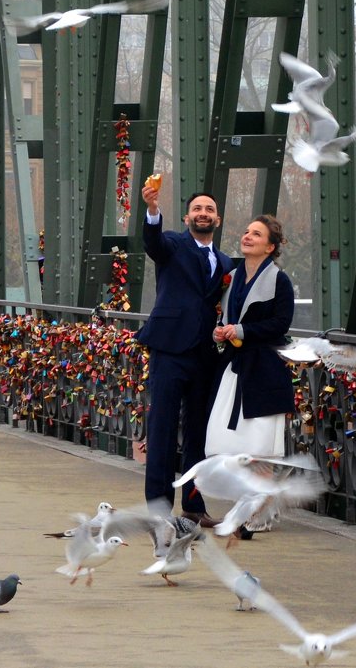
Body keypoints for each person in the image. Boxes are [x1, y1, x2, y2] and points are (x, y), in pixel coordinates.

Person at [136, 185, 232, 528]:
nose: (203, 213)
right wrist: (151, 211)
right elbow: (153, 244)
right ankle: (159, 509)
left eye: (209, 209)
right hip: (170, 348)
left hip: (205, 355)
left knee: (198, 434)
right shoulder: (174, 244)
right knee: (161, 428)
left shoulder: (225, 263)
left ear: (217, 219)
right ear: (187, 217)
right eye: (197, 209)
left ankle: (194, 504)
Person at [207, 215, 295, 460]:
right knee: (225, 444)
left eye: (256, 234)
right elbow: (225, 316)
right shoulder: (233, 277)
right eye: (247, 232)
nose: (247, 236)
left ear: (270, 247)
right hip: (233, 370)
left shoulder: (280, 280)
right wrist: (220, 332)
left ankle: (261, 496)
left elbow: (281, 323)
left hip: (264, 372)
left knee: (259, 449)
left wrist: (242, 331)